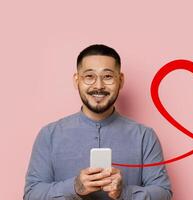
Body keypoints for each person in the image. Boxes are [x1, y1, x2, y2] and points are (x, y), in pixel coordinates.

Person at [24, 44, 172, 200]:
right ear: (77, 80)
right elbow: (31, 194)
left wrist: (124, 192)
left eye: (107, 76)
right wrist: (74, 187)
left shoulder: (145, 136)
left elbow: (163, 193)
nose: (99, 86)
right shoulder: (49, 135)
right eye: (89, 76)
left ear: (120, 80)